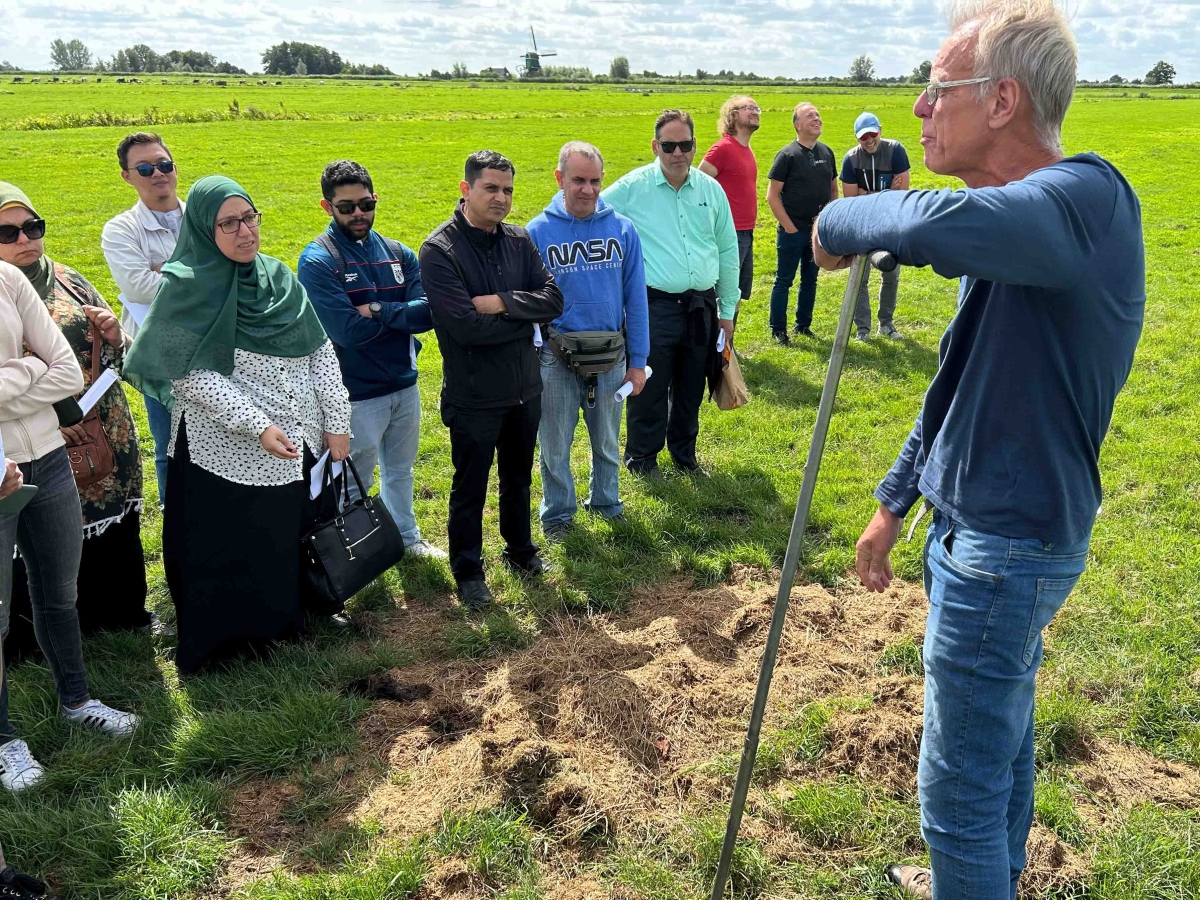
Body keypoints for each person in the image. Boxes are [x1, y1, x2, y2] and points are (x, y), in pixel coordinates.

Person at [813, 0, 1145, 896]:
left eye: (934, 89)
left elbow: (923, 228)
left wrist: (837, 223)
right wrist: (893, 504)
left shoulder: (1086, 201)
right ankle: (986, 878)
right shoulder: (1020, 229)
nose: (919, 108)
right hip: (974, 532)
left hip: (1009, 542)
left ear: (1001, 101)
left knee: (956, 788)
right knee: (997, 746)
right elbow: (957, 384)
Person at [124, 176, 351, 675]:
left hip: (300, 439)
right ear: (206, 229)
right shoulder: (186, 286)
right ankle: (233, 646)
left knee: (290, 533)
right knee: (235, 544)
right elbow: (186, 375)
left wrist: (336, 419)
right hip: (223, 450)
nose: (244, 232)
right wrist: (257, 426)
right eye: (228, 223)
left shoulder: (278, 277)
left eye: (250, 218)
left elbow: (319, 351)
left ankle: (298, 619)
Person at [1, 260, 140, 792]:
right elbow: (49, 374)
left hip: (51, 457)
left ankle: (78, 701)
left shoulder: (8, 281)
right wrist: (29, 371)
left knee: (58, 592)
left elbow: (66, 373)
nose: (20, 240)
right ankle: (3, 742)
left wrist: (22, 376)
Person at [0, 183, 156, 650]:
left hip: (105, 423)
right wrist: (49, 410)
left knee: (115, 518)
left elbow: (122, 350)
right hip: (39, 433)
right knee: (43, 535)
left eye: (33, 227)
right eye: (8, 232)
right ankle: (40, 637)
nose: (25, 239)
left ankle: (121, 615)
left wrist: (113, 336)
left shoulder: (68, 277)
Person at [420, 151, 564, 610]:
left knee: (518, 478)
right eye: (491, 189)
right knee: (471, 485)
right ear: (466, 189)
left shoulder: (520, 241)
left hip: (525, 387)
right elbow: (463, 328)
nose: (501, 198)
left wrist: (500, 302)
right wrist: (527, 320)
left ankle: (521, 552)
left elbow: (555, 299)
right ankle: (468, 571)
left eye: (507, 190)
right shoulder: (439, 250)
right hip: (475, 393)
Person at [298, 161, 444, 559]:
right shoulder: (317, 261)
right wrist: (400, 315)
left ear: (374, 199)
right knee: (353, 479)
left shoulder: (399, 253)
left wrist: (376, 309)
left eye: (365, 204)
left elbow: (429, 313)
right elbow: (346, 332)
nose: (358, 214)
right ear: (327, 208)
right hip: (354, 394)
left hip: (404, 383)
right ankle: (356, 552)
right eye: (347, 207)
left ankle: (408, 539)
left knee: (401, 470)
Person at [602, 109, 739, 478]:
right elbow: (589, 210)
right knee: (648, 383)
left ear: (695, 146)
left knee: (692, 383)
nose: (678, 153)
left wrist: (726, 309)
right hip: (653, 305)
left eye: (685, 145)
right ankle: (642, 459)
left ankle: (685, 456)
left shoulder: (711, 190)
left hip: (702, 306)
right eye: (669, 146)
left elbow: (728, 250)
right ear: (655, 146)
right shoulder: (632, 188)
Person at [526, 142, 650, 540]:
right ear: (560, 179)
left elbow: (637, 298)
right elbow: (529, 302)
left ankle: (607, 503)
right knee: (555, 445)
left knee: (608, 440)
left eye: (595, 180)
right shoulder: (536, 232)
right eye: (578, 180)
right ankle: (558, 516)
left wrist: (638, 360)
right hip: (556, 357)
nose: (588, 189)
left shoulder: (623, 229)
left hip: (612, 355)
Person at [101, 132, 184, 507]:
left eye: (163, 165)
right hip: (160, 354)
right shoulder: (120, 229)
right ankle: (176, 530)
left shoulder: (202, 218)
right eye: (145, 168)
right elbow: (137, 286)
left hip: (216, 342)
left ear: (174, 168)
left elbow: (230, 271)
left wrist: (164, 270)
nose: (157, 174)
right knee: (170, 446)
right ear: (127, 176)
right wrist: (198, 274)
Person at [766, 102, 838, 343]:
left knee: (811, 279)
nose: (817, 118)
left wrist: (829, 220)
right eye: (810, 116)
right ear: (797, 125)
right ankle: (778, 330)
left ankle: (803, 325)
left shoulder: (827, 153)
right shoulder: (787, 155)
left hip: (817, 231)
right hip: (792, 231)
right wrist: (789, 227)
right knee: (784, 280)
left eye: (818, 115)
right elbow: (772, 195)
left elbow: (833, 189)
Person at [840, 112, 912, 341]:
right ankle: (863, 329)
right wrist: (886, 192)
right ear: (856, 138)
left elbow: (902, 195)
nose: (869, 140)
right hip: (861, 227)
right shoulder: (850, 159)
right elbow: (850, 201)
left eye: (873, 134)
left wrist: (867, 194)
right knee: (860, 278)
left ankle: (886, 324)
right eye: (863, 137)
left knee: (891, 274)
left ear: (880, 129)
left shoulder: (896, 150)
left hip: (890, 225)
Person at [699, 96, 760, 313]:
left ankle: (727, 346)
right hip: (728, 233)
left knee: (735, 295)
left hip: (746, 231)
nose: (755, 112)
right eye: (748, 108)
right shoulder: (722, 149)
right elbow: (698, 184)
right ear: (733, 115)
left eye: (757, 108)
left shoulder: (746, 149)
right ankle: (715, 346)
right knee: (724, 294)